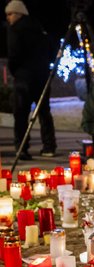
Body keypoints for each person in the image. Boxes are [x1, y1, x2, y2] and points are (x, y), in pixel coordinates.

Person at [5, 0, 57, 159]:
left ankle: (22, 148)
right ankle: (49, 146)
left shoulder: (16, 30)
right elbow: (51, 49)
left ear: (19, 13)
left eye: (10, 14)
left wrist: (15, 71)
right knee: (44, 112)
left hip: (24, 77)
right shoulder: (39, 29)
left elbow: (14, 54)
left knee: (21, 114)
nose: (8, 18)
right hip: (42, 76)